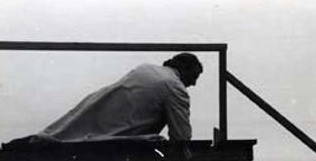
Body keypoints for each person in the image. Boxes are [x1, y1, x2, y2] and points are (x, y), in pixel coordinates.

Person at [17, 52, 202, 143]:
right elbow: (182, 137)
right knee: (77, 139)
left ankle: (43, 137)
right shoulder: (175, 87)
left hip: (98, 110)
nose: (193, 84)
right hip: (115, 130)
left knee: (66, 130)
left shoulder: (145, 68)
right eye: (193, 77)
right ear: (183, 69)